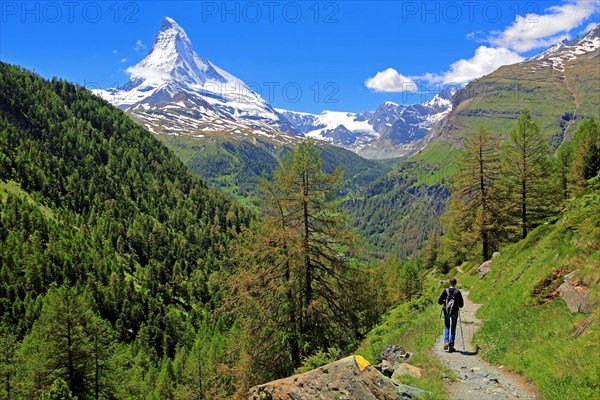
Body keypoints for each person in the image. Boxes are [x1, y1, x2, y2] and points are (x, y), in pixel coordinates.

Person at [438, 277, 464, 352]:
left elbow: (439, 301)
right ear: (455, 283)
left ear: (450, 283)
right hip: (454, 311)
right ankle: (451, 345)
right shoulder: (458, 292)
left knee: (446, 326)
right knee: (453, 328)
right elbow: (461, 305)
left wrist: (444, 302)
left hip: (446, 311)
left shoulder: (446, 291)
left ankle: (446, 342)